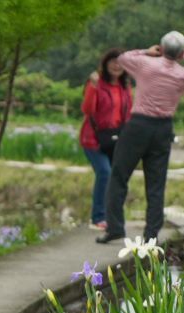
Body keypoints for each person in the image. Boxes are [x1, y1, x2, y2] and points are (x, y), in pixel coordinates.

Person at [99, 32, 184, 245]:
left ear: (161, 47)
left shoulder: (145, 65)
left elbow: (122, 58)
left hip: (138, 125)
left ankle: (114, 227)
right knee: (156, 184)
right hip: (163, 128)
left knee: (119, 176)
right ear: (179, 53)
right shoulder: (183, 74)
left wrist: (147, 52)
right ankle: (150, 234)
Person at [80, 49, 134, 231]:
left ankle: (112, 217)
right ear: (105, 63)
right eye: (113, 62)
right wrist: (93, 87)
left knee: (115, 177)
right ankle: (98, 217)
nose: (116, 66)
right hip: (93, 139)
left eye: (120, 63)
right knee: (104, 172)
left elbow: (127, 113)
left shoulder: (124, 86)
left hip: (115, 139)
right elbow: (87, 110)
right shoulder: (96, 83)